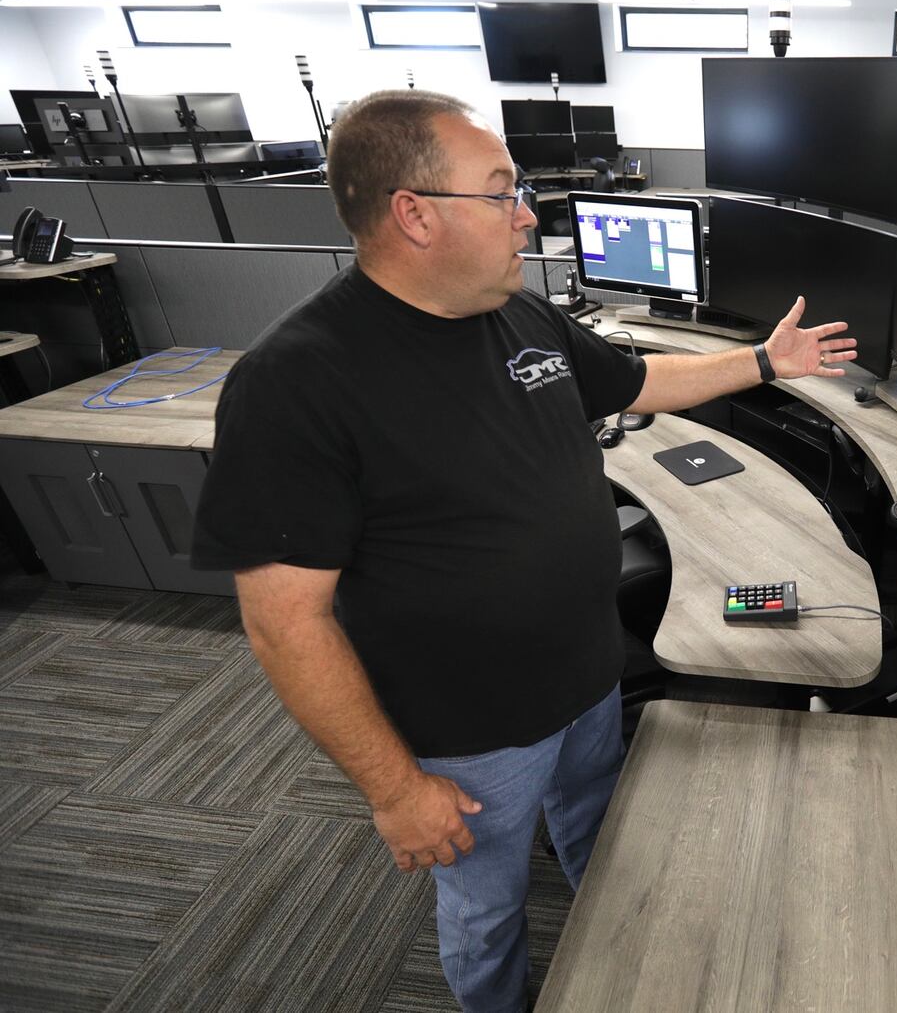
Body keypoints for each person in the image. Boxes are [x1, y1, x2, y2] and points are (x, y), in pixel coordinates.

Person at [191, 89, 857, 1013]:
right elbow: (282, 624)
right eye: (501, 192)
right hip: (471, 733)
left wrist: (763, 364)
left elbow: (636, 379)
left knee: (606, 848)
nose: (528, 213)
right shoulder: (296, 380)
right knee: (487, 907)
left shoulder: (520, 315)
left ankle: (618, 980)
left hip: (587, 679)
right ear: (414, 214)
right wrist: (394, 791)